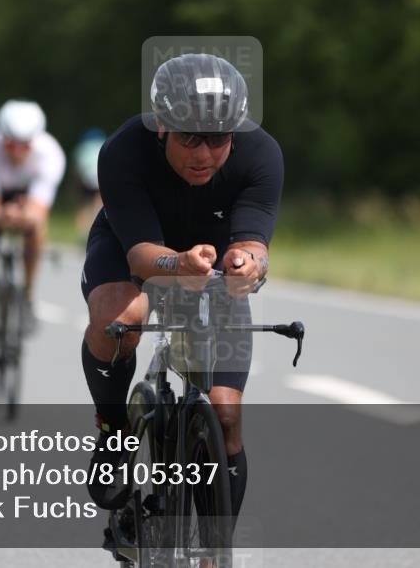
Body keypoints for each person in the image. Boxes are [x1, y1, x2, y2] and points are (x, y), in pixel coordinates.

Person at [79, 53, 283, 517]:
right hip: (134, 245)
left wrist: (249, 263)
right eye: (190, 138)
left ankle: (215, 554)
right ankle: (113, 431)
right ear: (162, 128)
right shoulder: (124, 149)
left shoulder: (261, 153)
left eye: (217, 139)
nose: (204, 155)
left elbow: (255, 242)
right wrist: (180, 264)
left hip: (209, 259)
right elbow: (139, 255)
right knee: (121, 320)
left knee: (227, 416)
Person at [0, 100, 66, 394]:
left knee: (36, 229)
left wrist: (22, 216)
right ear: (1, 138)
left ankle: (27, 294)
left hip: (25, 199)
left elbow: (37, 213)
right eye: (10, 144)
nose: (17, 151)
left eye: (25, 145)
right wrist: (4, 215)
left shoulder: (50, 154)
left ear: (36, 142)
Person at [72, 128, 106, 236]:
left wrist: (75, 189)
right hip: (100, 175)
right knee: (99, 203)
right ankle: (99, 227)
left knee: (83, 204)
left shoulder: (81, 148)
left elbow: (76, 171)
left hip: (85, 177)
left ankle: (84, 230)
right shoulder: (104, 145)